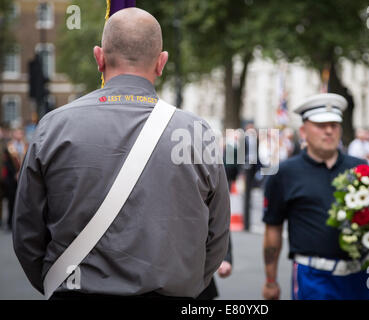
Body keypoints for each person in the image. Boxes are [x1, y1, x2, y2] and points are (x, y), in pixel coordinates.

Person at [12, 8, 230, 300]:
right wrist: (189, 285)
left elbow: (27, 232)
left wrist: (55, 282)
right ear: (161, 62)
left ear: (99, 57)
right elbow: (217, 233)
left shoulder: (53, 127)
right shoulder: (195, 132)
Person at [262, 93, 369, 300]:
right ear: (303, 131)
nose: (329, 131)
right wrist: (271, 281)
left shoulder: (361, 168)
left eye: (334, 124)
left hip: (359, 276)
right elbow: (273, 227)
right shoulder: (285, 173)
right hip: (313, 276)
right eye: (321, 125)